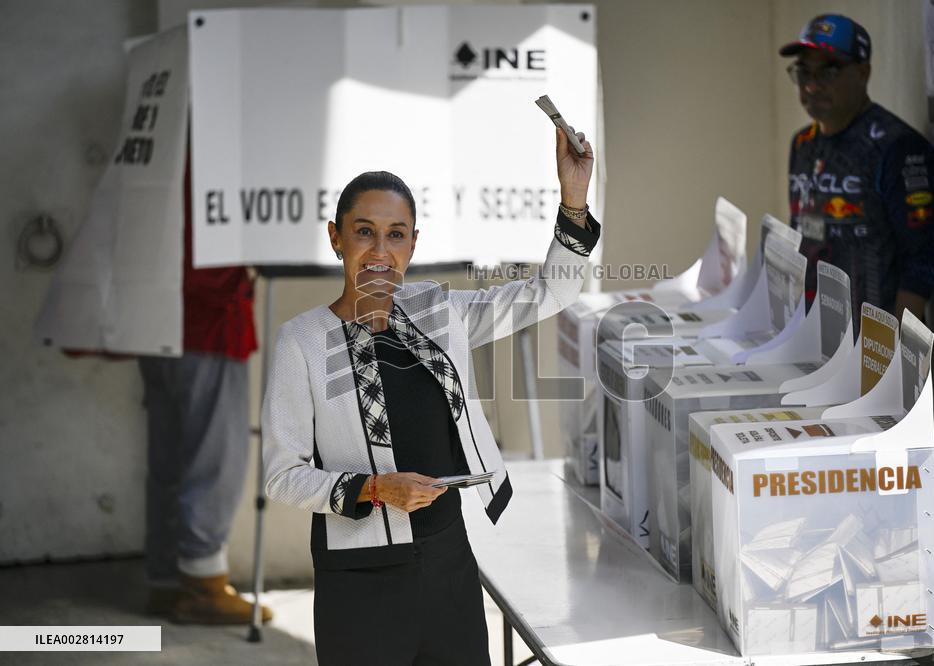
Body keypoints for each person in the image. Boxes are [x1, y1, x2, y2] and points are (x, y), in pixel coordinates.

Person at [262, 126, 599, 665]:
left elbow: (552, 292)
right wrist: (375, 489)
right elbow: (282, 475)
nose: (379, 250)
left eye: (396, 234)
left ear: (414, 243)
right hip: (359, 578)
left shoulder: (439, 313)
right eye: (364, 231)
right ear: (335, 237)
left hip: (447, 560)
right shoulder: (302, 342)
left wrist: (574, 201)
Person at [140, 149, 273, 624]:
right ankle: (202, 584)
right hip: (209, 324)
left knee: (170, 459)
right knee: (215, 457)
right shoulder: (216, 153)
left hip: (155, 321)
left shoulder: (169, 144)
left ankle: (165, 580)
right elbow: (209, 258)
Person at [781, 14, 934, 324]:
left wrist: (893, 358)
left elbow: (921, 263)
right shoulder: (802, 144)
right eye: (803, 73)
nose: (812, 86)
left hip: (875, 344)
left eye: (828, 72)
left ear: (863, 73)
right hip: (812, 336)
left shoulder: (897, 148)